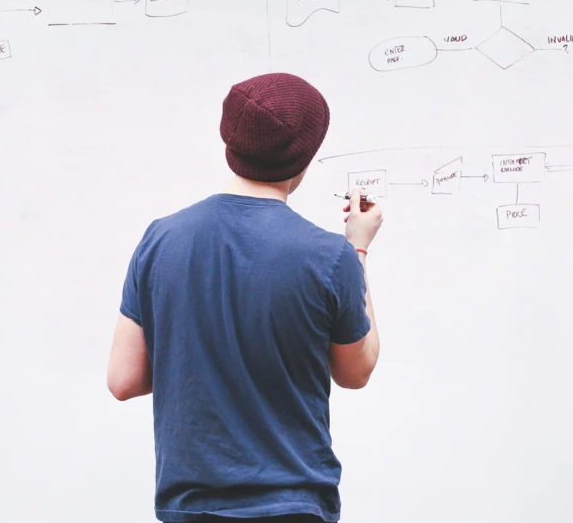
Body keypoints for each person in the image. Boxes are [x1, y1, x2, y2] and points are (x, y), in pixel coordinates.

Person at [106, 72, 382, 523]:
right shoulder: (329, 256)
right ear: (305, 159)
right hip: (294, 506)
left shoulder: (161, 239)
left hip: (190, 508)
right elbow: (356, 371)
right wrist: (358, 248)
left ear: (229, 141)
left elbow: (124, 379)